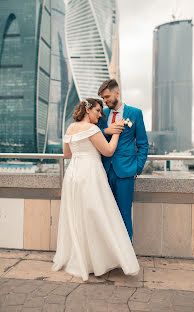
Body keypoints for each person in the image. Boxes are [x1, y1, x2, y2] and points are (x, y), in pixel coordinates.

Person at [52, 98, 139, 281]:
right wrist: (116, 132)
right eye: (98, 111)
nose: (100, 115)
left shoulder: (70, 128)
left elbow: (67, 154)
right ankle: (97, 259)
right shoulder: (92, 129)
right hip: (90, 174)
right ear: (87, 109)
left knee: (78, 216)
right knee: (98, 214)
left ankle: (83, 257)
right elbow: (108, 151)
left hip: (73, 176)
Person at [98, 79, 149, 242]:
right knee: (106, 215)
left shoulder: (135, 113)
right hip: (103, 172)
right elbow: (95, 134)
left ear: (117, 92)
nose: (105, 101)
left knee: (124, 214)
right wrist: (107, 130)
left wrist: (137, 168)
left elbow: (143, 144)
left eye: (106, 97)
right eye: (103, 98)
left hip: (126, 172)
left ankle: (126, 258)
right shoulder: (102, 114)